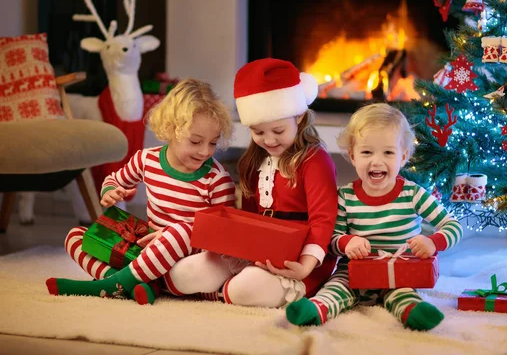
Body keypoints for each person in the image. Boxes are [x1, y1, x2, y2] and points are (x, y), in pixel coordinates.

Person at [163, 58, 339, 308]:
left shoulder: (314, 160)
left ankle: (220, 293)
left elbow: (323, 219)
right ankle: (219, 289)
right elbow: (250, 217)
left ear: (299, 117)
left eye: (278, 131)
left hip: (299, 260)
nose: (269, 140)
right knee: (187, 272)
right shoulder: (254, 161)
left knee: (245, 289)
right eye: (258, 132)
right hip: (259, 252)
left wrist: (305, 266)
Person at [46, 78, 236, 305]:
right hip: (145, 253)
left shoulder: (217, 179)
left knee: (180, 232)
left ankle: (111, 285)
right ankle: (138, 284)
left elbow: (224, 234)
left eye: (213, 143)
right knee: (76, 236)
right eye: (195, 141)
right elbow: (115, 180)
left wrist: (175, 235)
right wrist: (110, 191)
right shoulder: (147, 159)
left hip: (187, 260)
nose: (205, 151)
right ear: (171, 129)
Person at [285, 103, 463, 331]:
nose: (376, 161)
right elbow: (331, 240)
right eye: (367, 152)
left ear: (404, 157)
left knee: (403, 294)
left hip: (399, 271)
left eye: (388, 152)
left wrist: (432, 242)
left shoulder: (413, 194)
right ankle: (316, 309)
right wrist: (347, 243)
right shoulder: (345, 196)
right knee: (335, 287)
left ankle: (415, 313)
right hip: (355, 271)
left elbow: (453, 225)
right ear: (352, 156)